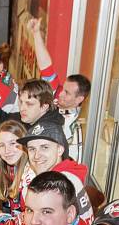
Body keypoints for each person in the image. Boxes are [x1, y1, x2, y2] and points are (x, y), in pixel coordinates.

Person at [29, 18, 91, 162]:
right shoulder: (57, 94)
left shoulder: (78, 125)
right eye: (63, 89)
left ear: (79, 99)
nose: (60, 94)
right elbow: (46, 66)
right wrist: (36, 33)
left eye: (67, 93)